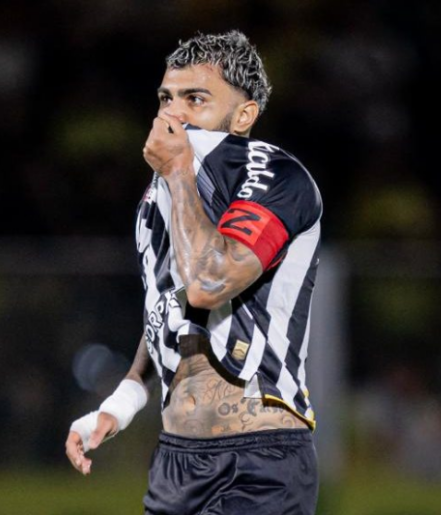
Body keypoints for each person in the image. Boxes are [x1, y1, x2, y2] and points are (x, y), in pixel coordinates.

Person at [66, 30, 322, 515]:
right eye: (166, 98)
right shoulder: (161, 193)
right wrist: (121, 403)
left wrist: (179, 171)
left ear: (243, 115)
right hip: (175, 465)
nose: (174, 115)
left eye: (195, 100)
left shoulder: (274, 176)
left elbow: (208, 284)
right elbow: (170, 306)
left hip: (259, 462)